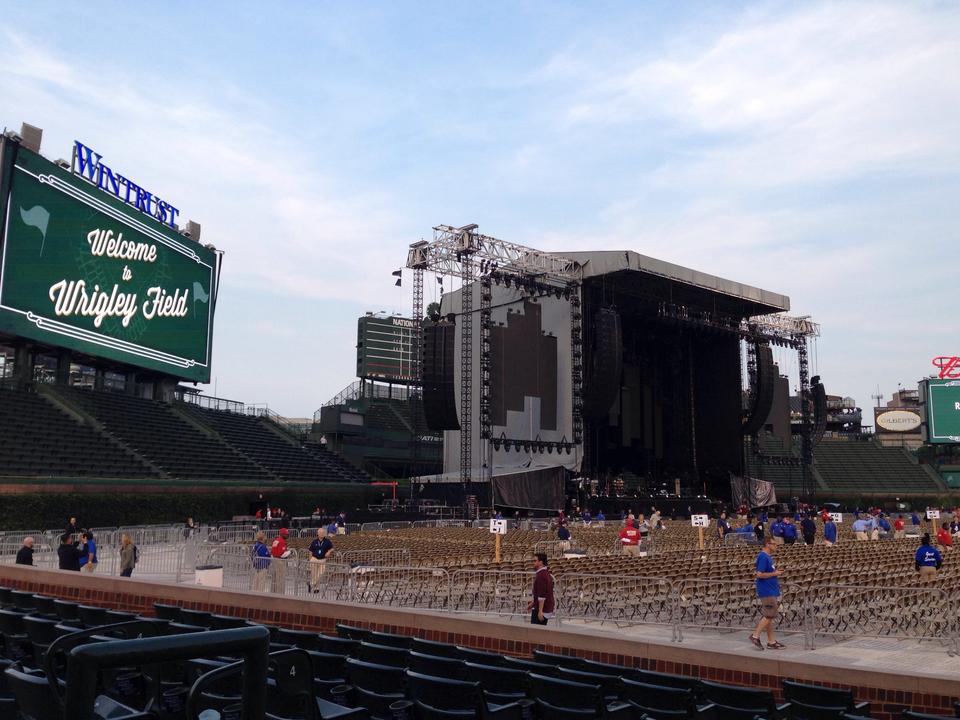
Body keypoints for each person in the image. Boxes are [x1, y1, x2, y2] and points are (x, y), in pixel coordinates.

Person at [749, 537, 784, 650]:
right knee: (770, 614)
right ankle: (755, 635)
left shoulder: (768, 557)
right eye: (774, 544)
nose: (776, 546)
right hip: (766, 590)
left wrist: (775, 573)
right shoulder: (763, 557)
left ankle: (771, 641)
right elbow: (759, 574)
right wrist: (775, 574)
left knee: (769, 616)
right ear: (768, 544)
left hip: (771, 589)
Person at [526, 553, 555, 625]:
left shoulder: (541, 575)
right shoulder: (545, 573)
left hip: (542, 609)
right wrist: (533, 603)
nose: (533, 562)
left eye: (535, 561)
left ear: (540, 562)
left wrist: (540, 611)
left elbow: (542, 596)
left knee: (536, 632)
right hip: (543, 607)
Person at [307, 528, 334, 592]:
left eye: (323, 533)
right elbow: (310, 551)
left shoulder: (327, 541)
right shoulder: (314, 541)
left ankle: (311, 584)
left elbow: (332, 548)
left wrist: (329, 552)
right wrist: (310, 559)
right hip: (314, 559)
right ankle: (316, 588)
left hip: (322, 559)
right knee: (314, 573)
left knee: (320, 573)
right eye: (320, 533)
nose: (322, 534)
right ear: (318, 534)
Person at [270, 528, 291, 593]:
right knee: (280, 578)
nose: (287, 536)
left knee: (274, 578)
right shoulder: (282, 541)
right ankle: (280, 593)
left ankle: (273, 592)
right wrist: (289, 552)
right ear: (282, 534)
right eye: (286, 534)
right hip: (280, 561)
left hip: (274, 560)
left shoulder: (276, 540)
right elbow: (282, 554)